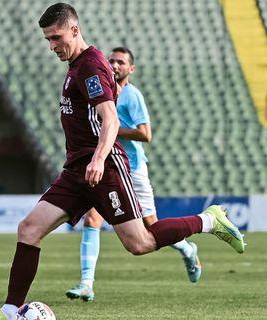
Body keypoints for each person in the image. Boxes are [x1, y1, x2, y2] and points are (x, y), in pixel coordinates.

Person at [0, 3, 245, 320]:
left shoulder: (91, 67)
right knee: (29, 229)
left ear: (74, 30)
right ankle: (10, 314)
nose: (53, 46)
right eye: (47, 40)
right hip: (76, 171)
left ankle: (209, 220)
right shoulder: (75, 65)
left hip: (105, 168)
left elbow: (110, 118)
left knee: (140, 243)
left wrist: (98, 159)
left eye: (56, 38)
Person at [65, 47, 202, 302]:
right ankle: (86, 283)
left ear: (131, 69)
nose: (115, 65)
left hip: (134, 168)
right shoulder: (98, 90)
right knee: (92, 219)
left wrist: (112, 129)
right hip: (108, 165)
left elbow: (145, 134)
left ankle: (186, 248)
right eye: (111, 61)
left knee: (152, 229)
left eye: (121, 62)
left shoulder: (132, 95)